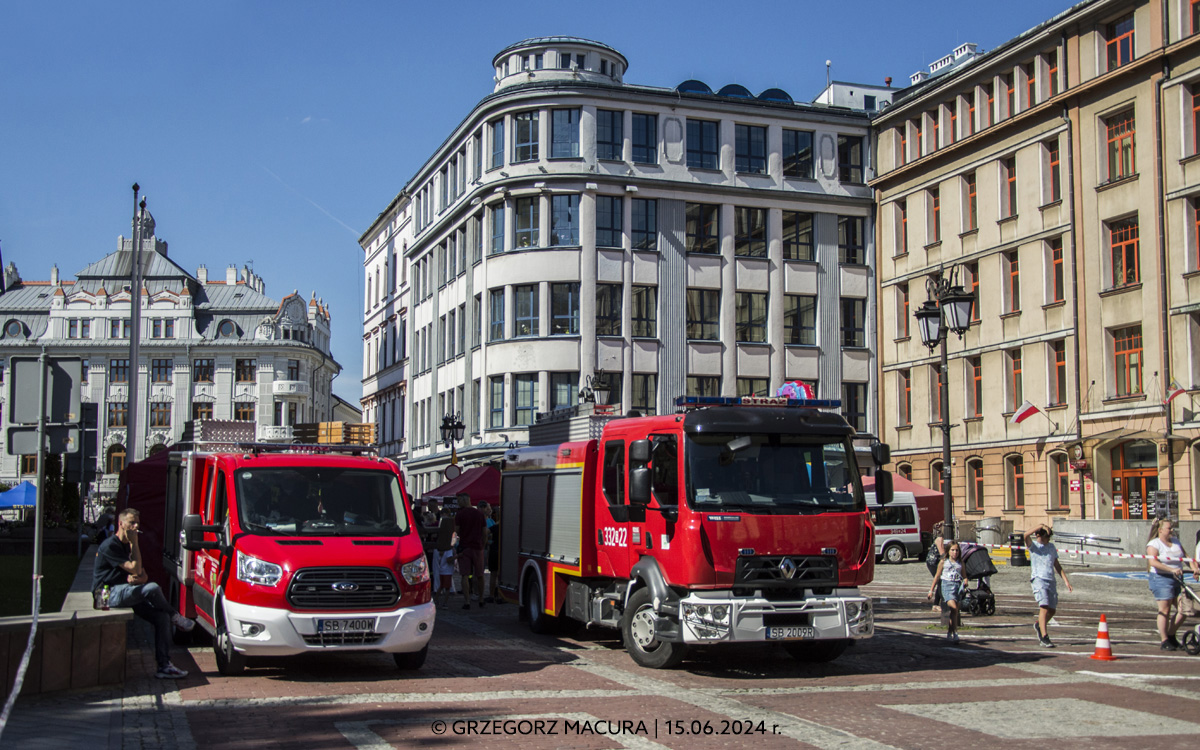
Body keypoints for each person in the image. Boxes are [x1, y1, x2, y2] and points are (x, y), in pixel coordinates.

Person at [93, 508, 195, 679]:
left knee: (160, 618)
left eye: (138, 523)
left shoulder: (127, 546)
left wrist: (138, 576)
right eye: (132, 522)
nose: (136, 526)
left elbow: (143, 575)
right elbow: (135, 569)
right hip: (104, 595)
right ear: (121, 523)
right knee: (153, 588)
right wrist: (135, 544)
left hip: (124, 592)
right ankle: (175, 616)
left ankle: (164, 666)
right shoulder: (111, 545)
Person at [1146, 518, 1200, 650]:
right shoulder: (1154, 544)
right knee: (1165, 609)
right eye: (1169, 528)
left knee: (1185, 608)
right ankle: (1164, 640)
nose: (1172, 530)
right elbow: (1153, 562)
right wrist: (1172, 569)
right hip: (1161, 578)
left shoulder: (1176, 542)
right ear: (1160, 530)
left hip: (1178, 579)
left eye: (1172, 528)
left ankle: (1171, 634)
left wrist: (1194, 568)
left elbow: (1186, 557)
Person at [1024, 523, 1073, 648]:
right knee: (1044, 607)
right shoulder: (1034, 546)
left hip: (1051, 580)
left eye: (1048, 537)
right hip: (1039, 579)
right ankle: (1044, 637)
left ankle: (1039, 624)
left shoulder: (1051, 547)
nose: (1047, 540)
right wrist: (1040, 525)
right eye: (1045, 536)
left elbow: (1057, 565)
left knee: (1052, 610)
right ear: (1038, 535)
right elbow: (1025, 535)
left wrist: (1066, 581)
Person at [453, 493, 487, 610]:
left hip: (465, 546)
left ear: (462, 501)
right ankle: (481, 599)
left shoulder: (460, 514)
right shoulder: (479, 513)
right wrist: (483, 544)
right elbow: (484, 531)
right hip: (477, 547)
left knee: (465, 575)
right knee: (480, 574)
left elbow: (456, 531)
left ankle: (467, 601)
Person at [927, 541, 964, 643]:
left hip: (957, 586)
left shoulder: (960, 563)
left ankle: (950, 632)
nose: (955, 552)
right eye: (952, 550)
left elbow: (964, 576)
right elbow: (937, 576)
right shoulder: (944, 562)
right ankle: (955, 633)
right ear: (948, 551)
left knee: (954, 612)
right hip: (947, 586)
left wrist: (965, 582)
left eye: (956, 550)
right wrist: (931, 590)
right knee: (954, 608)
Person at [432, 508, 457, 608]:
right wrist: (457, 556)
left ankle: (437, 600)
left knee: (442, 586)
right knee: (446, 587)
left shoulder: (445, 547)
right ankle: (444, 603)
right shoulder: (448, 548)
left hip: (444, 569)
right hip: (446, 571)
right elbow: (449, 559)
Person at [479, 502, 502, 604]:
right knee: (501, 575)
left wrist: (487, 541)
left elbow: (484, 532)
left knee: (493, 574)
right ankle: (501, 595)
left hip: (494, 550)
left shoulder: (495, 526)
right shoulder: (508, 526)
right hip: (504, 552)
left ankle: (492, 595)